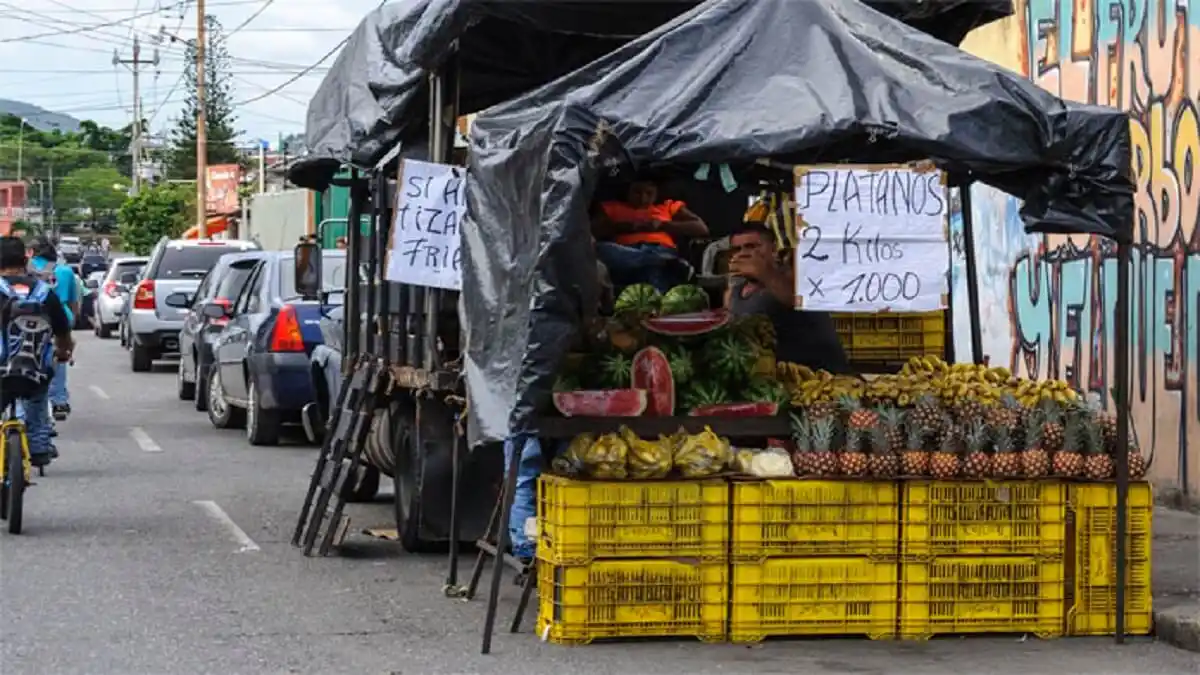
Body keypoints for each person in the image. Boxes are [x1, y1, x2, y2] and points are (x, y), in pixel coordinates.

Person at [725, 223, 851, 373]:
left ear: (773, 248)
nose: (743, 253)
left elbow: (796, 299)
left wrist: (764, 273)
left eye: (752, 246)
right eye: (737, 249)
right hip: (776, 382)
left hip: (821, 380)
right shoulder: (734, 292)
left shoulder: (795, 277)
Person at [0, 236, 74, 467]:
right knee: (37, 401)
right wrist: (63, 353)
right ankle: (39, 447)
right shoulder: (43, 292)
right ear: (25, 260)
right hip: (34, 370)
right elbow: (63, 331)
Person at [591, 177, 709, 293]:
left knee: (652, 272)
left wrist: (663, 225)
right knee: (599, 248)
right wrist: (628, 227)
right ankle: (660, 261)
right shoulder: (611, 207)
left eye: (649, 193)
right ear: (627, 191)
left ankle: (656, 264)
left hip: (658, 249)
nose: (643, 198)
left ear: (657, 193)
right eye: (637, 192)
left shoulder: (667, 206)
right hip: (624, 255)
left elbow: (701, 228)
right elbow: (594, 231)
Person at [27, 234, 79, 420]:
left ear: (31, 252)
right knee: (60, 352)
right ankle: (59, 400)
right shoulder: (65, 272)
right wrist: (70, 323)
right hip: (60, 317)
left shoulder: (25, 269)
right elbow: (73, 302)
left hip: (29, 318)